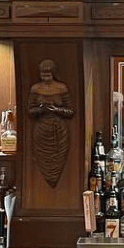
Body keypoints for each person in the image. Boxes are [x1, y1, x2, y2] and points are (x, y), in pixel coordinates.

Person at [28, 59, 74, 188]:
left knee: (58, 161)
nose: (45, 73)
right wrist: (41, 109)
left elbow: (70, 111)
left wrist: (57, 110)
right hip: (41, 130)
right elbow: (30, 111)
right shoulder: (35, 88)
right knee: (42, 161)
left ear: (53, 71)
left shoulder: (62, 87)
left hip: (59, 131)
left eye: (48, 71)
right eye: (43, 71)